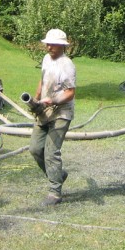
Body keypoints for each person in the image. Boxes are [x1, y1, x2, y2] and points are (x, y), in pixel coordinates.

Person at [29, 28, 76, 206]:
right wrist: (37, 99)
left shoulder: (67, 65)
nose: (48, 47)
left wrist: (53, 99)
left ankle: (55, 193)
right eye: (47, 44)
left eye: (52, 44)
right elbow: (42, 80)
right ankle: (59, 175)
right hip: (44, 111)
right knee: (35, 148)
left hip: (61, 113)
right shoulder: (46, 59)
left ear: (62, 46)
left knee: (51, 152)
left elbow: (70, 93)